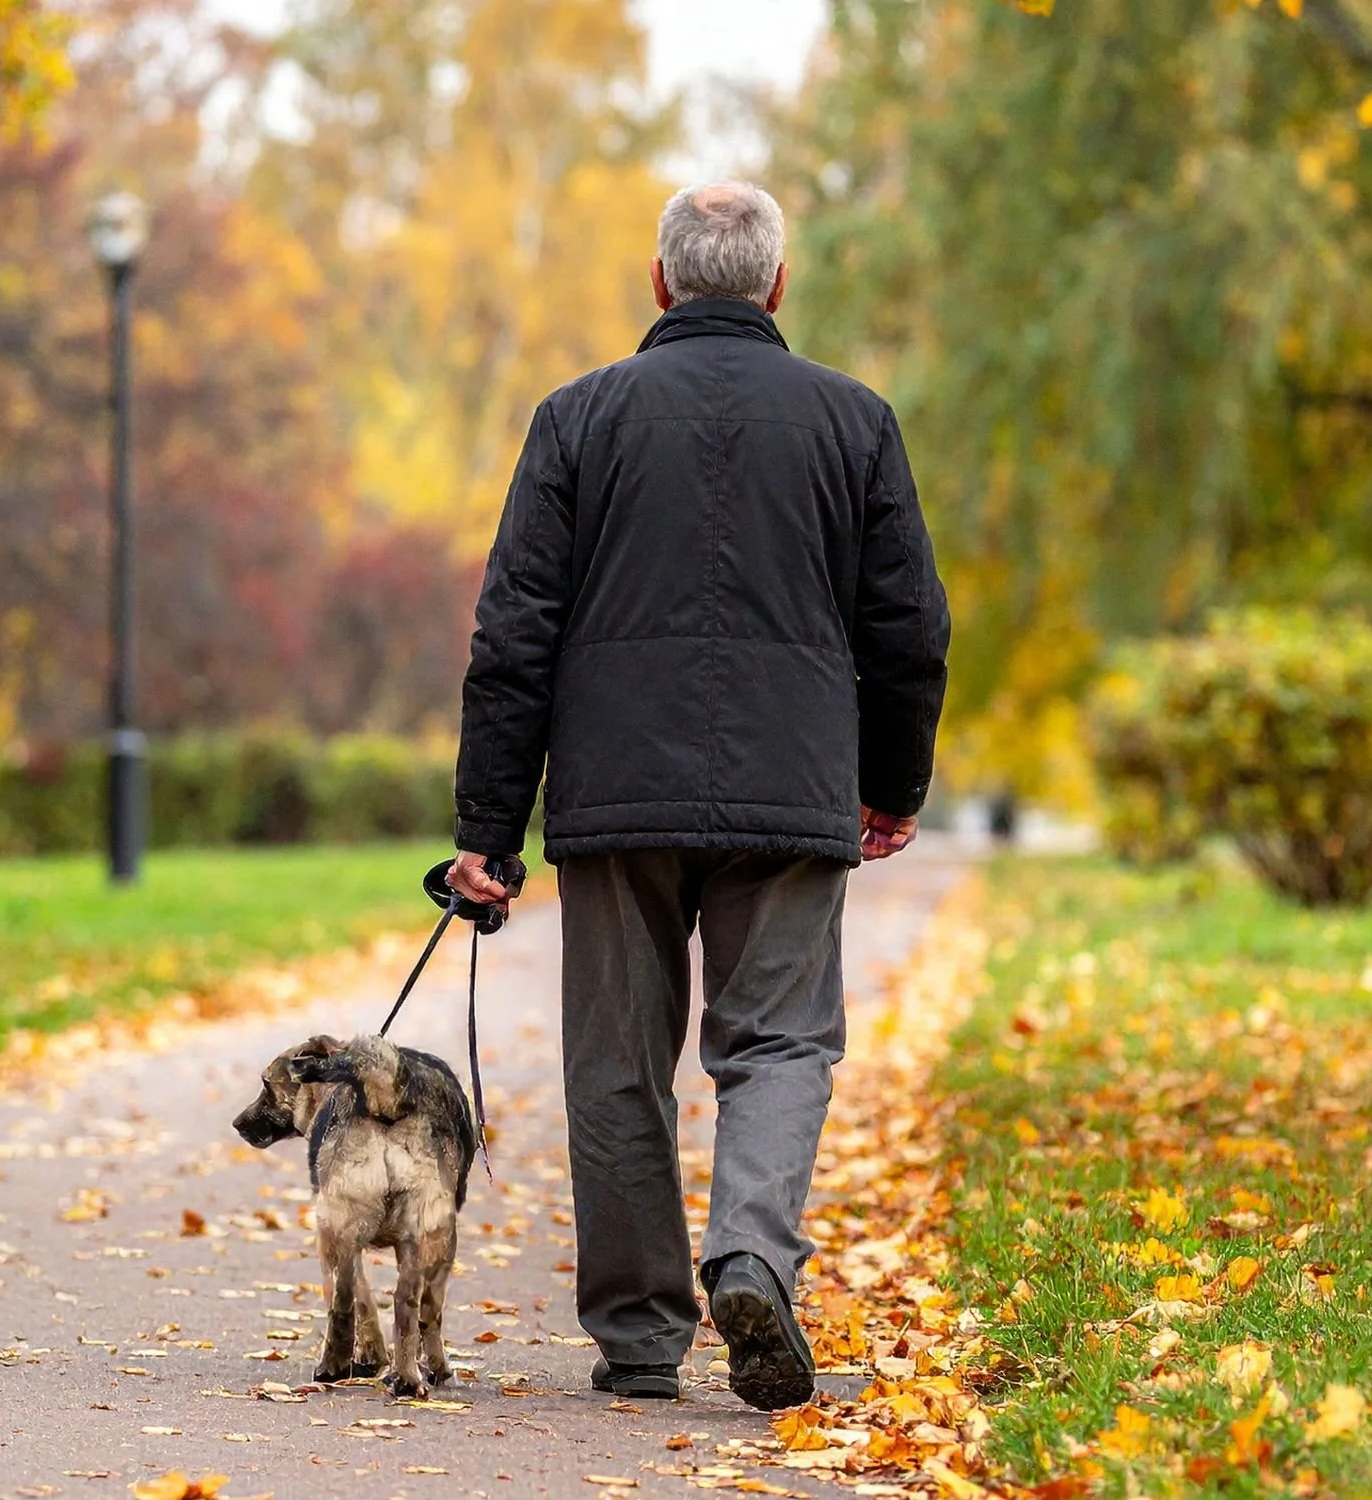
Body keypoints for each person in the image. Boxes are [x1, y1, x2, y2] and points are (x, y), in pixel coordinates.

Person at [444, 181, 950, 1410]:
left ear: (662, 284)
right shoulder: (855, 421)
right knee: (779, 1042)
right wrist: (889, 783)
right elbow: (910, 626)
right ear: (775, 286)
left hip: (616, 795)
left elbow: (514, 633)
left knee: (616, 1059)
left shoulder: (576, 419)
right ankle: (753, 1260)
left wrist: (487, 837)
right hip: (791, 788)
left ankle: (637, 1337)